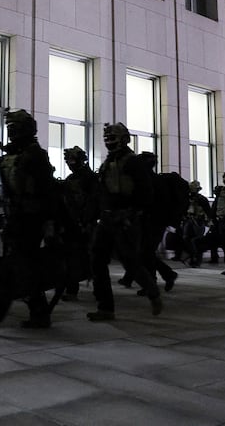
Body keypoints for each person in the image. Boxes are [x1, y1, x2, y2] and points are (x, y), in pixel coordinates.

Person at [0, 109, 55, 332]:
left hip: (30, 220)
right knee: (24, 269)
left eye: (16, 128)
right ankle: (40, 314)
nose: (11, 132)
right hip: (12, 219)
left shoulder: (36, 155)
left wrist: (48, 222)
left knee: (13, 268)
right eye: (9, 128)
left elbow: (47, 192)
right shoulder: (9, 156)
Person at [87, 122, 162, 321]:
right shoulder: (108, 162)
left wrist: (131, 212)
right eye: (107, 139)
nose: (110, 142)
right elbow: (101, 192)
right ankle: (105, 307)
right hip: (106, 218)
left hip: (125, 220)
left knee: (130, 262)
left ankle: (152, 290)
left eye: (113, 138)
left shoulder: (132, 162)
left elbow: (146, 194)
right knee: (96, 259)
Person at [59, 146, 98, 300]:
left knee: (92, 258)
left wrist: (86, 220)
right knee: (72, 257)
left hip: (86, 224)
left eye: (72, 160)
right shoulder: (71, 179)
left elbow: (93, 202)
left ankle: (98, 289)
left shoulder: (89, 178)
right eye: (68, 160)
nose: (70, 163)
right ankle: (71, 289)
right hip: (73, 224)